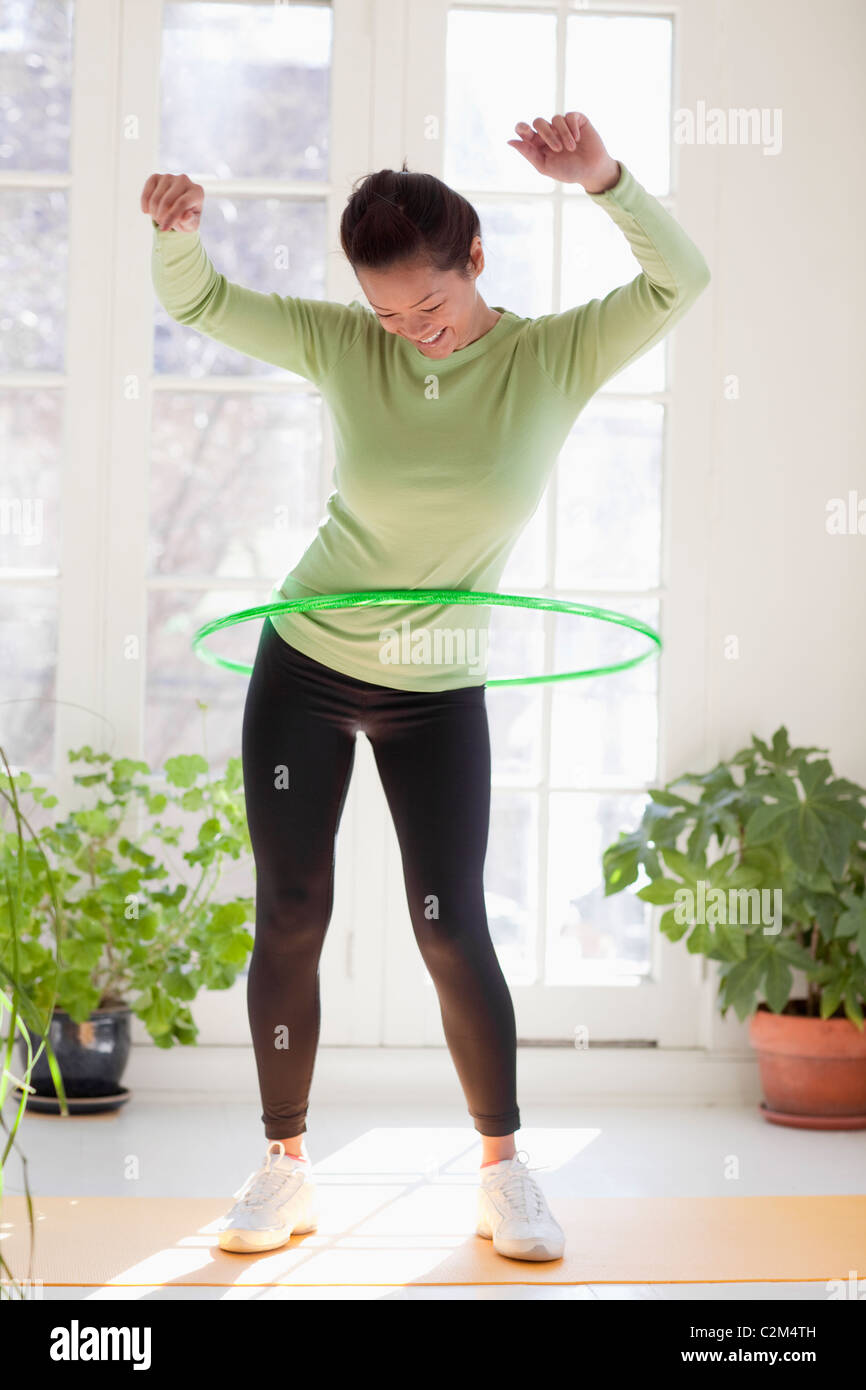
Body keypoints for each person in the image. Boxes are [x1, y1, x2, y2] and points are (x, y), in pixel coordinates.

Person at [143, 110, 710, 1263]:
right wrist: (177, 234)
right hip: (307, 660)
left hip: (437, 688)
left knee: (448, 925)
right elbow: (200, 304)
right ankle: (283, 1166)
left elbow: (677, 280)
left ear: (476, 263)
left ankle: (504, 1172)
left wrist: (600, 178)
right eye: (388, 316)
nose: (414, 336)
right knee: (291, 912)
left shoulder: (549, 356)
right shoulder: (356, 347)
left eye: (430, 308)